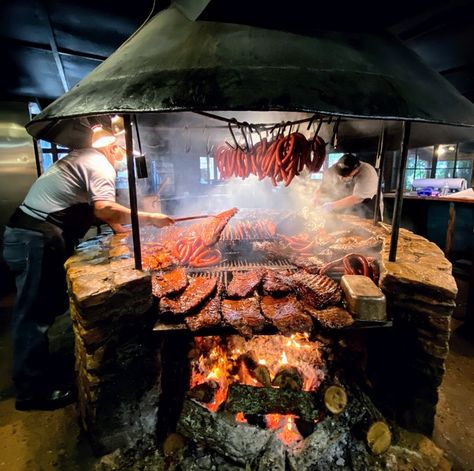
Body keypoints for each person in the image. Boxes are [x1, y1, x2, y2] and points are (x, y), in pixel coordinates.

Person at [2, 131, 174, 411]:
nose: (123, 161)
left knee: (43, 307)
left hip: (29, 235)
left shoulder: (83, 158)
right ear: (115, 149)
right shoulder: (100, 165)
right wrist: (150, 218)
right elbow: (104, 208)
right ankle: (31, 392)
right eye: (123, 154)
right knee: (32, 315)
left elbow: (95, 209)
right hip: (33, 239)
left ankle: (36, 372)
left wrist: (120, 229)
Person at [313, 153, 380, 218]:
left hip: (366, 205)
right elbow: (323, 187)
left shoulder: (367, 173)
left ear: (356, 169)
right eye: (340, 175)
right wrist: (316, 199)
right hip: (345, 206)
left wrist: (330, 206)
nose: (342, 178)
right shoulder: (334, 168)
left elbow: (356, 198)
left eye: (347, 175)